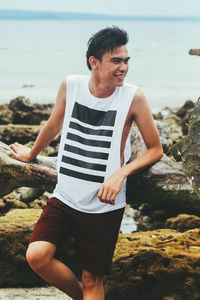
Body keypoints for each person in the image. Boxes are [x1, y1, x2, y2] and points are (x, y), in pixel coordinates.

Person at [7, 26, 163, 300]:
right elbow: (54, 123)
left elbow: (155, 149)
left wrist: (121, 174)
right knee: (37, 255)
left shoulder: (133, 98)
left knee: (93, 280)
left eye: (126, 61)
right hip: (65, 195)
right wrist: (31, 154)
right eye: (116, 61)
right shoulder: (72, 85)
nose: (124, 67)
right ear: (94, 62)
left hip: (103, 204)